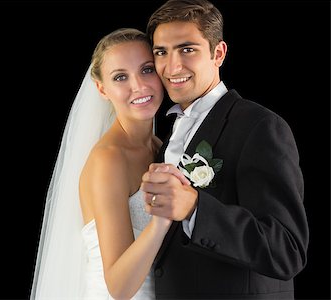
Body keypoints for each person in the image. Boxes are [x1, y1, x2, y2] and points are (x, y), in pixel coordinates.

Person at [139, 0, 309, 299]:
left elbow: (286, 250)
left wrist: (195, 207)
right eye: (161, 52)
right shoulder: (167, 132)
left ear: (218, 53)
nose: (172, 66)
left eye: (187, 49)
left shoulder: (260, 126)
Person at [30, 28, 187, 299]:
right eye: (121, 77)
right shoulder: (109, 159)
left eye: (147, 70)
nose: (138, 85)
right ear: (102, 89)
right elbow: (119, 286)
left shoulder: (159, 147)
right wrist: (161, 220)